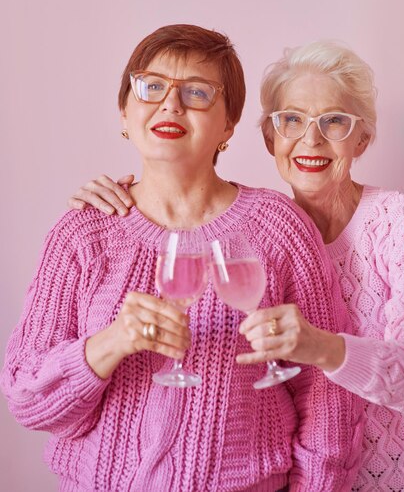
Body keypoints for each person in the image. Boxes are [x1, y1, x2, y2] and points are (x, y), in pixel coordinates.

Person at [0, 26, 363, 492]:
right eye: (151, 87)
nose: (170, 105)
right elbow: (29, 401)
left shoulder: (280, 226)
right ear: (125, 111)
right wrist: (112, 342)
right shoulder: (83, 230)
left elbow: (327, 392)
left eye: (197, 92)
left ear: (229, 125)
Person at [75, 39, 404, 492]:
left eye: (334, 121)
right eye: (291, 119)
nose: (310, 139)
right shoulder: (266, 229)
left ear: (363, 138)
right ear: (269, 136)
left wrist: (322, 348)